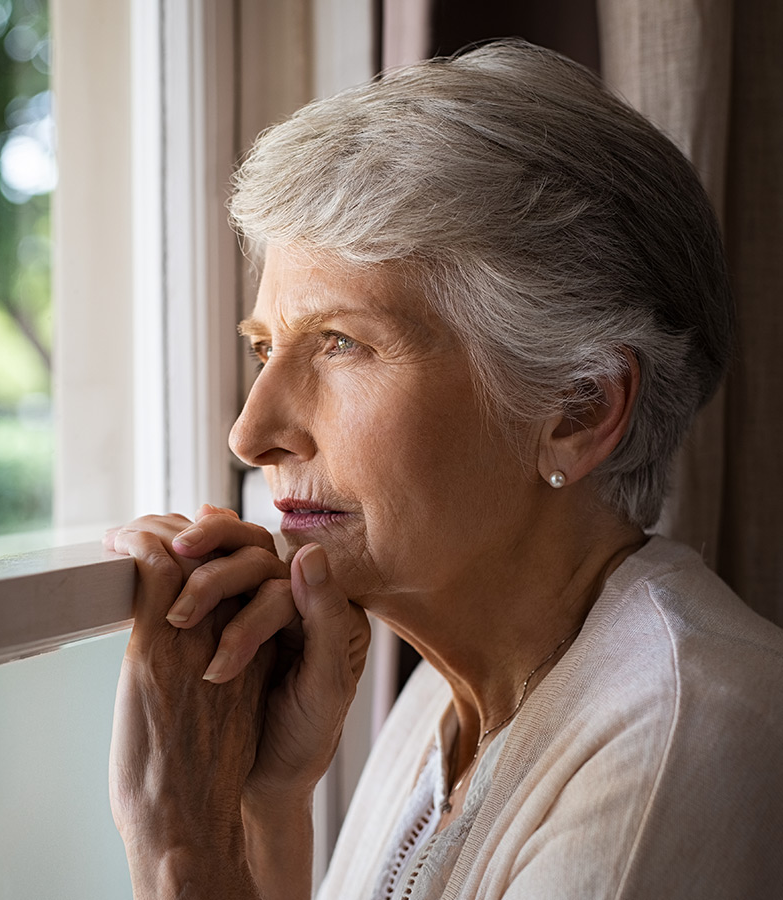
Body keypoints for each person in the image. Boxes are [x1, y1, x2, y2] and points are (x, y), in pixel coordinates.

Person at [103, 40, 783, 899]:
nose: (251, 433)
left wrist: (181, 851)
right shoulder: (442, 700)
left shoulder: (682, 743)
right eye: (266, 348)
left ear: (577, 410)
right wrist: (267, 806)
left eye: (341, 343)